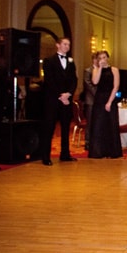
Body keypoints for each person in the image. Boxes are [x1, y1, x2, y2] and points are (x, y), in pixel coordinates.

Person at [38, 37, 78, 166]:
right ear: (58, 45)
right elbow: (49, 80)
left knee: (66, 127)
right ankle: (45, 156)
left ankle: (65, 154)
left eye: (69, 44)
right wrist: (61, 95)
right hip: (53, 100)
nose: (67, 46)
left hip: (66, 100)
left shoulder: (71, 62)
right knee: (49, 128)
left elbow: (74, 80)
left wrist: (69, 94)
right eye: (65, 44)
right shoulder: (49, 61)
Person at [88, 50, 122, 158]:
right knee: (98, 125)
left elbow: (116, 86)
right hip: (99, 99)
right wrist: (100, 68)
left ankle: (112, 152)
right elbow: (95, 82)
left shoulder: (114, 70)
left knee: (110, 125)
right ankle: (98, 152)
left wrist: (109, 102)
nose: (102, 59)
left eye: (104, 57)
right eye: (100, 58)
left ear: (107, 57)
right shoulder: (96, 70)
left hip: (110, 98)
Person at [82, 51, 99, 150]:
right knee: (90, 122)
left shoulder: (101, 70)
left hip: (99, 101)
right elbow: (88, 84)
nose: (98, 61)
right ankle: (88, 142)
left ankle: (97, 141)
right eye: (96, 59)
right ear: (93, 60)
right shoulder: (88, 70)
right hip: (91, 101)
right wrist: (98, 95)